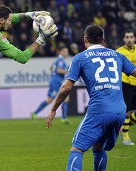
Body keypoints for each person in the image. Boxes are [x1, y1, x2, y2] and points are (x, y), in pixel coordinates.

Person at [46, 24, 136, 171]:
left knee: (77, 149)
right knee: (99, 147)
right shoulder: (118, 55)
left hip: (99, 110)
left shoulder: (80, 58)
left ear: (85, 39)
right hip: (120, 111)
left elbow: (66, 88)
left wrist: (53, 109)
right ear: (103, 39)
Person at [31, 45, 71, 124]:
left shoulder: (58, 60)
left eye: (67, 51)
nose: (66, 53)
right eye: (64, 51)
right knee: (56, 99)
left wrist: (54, 72)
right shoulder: (61, 60)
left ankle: (63, 118)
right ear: (60, 52)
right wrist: (68, 72)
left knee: (61, 99)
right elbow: (59, 70)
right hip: (57, 82)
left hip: (56, 81)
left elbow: (51, 68)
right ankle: (63, 118)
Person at [116, 29, 136, 145]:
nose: (129, 39)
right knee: (127, 111)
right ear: (124, 39)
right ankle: (126, 137)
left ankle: (123, 126)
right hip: (126, 83)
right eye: (127, 37)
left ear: (134, 38)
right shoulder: (119, 52)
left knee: (132, 113)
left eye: (131, 37)